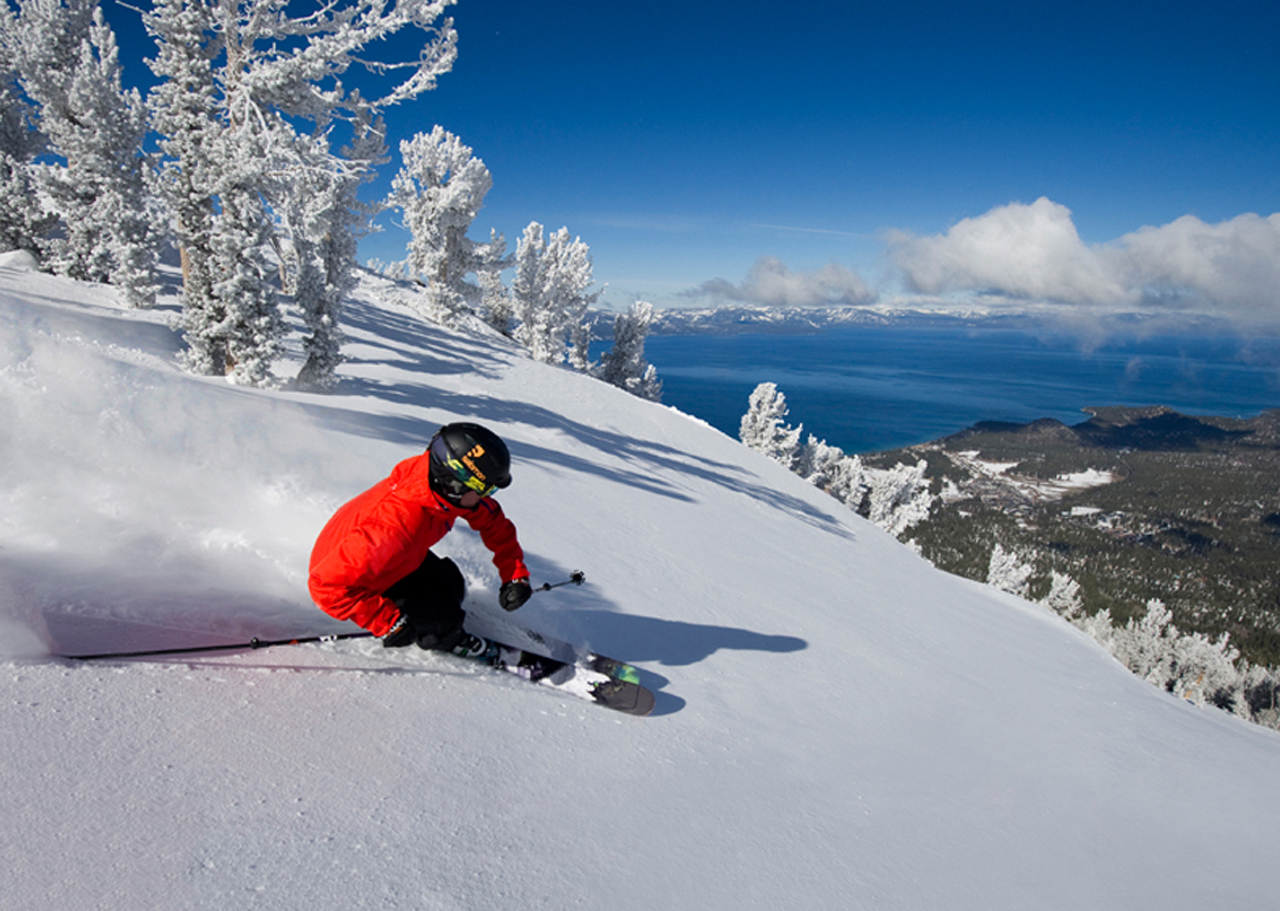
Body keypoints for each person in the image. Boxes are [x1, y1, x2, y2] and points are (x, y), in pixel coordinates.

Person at [308, 422, 533, 651]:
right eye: (484, 489)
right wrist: (387, 623)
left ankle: (439, 620)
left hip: (392, 561)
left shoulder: (439, 491)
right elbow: (326, 587)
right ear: (455, 482)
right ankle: (448, 639)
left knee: (451, 582)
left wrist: (515, 574)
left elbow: (494, 523)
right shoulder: (395, 526)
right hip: (358, 580)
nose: (486, 497)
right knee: (442, 623)